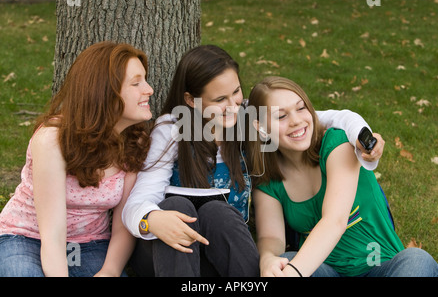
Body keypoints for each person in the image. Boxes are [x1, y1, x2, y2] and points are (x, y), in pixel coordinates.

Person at [122, 45, 383, 277]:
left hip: (221, 249)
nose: (233, 105)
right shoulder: (172, 129)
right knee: (177, 206)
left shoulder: (247, 119)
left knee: (217, 212)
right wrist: (151, 220)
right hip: (167, 253)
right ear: (191, 100)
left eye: (236, 92)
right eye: (220, 100)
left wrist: (363, 137)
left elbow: (324, 117)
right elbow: (136, 204)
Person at [247, 76, 438, 277]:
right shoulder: (267, 179)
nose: (296, 121)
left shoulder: (338, 144)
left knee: (418, 260)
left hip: (381, 267)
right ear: (261, 127)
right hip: (324, 271)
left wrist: (294, 272)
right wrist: (268, 257)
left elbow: (335, 220)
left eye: (301, 108)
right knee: (285, 257)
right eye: (281, 116)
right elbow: (271, 236)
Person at [0, 41, 154, 277]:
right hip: (27, 237)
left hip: (91, 243)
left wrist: (110, 271)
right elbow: (52, 233)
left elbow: (123, 222)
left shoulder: (136, 142)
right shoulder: (52, 140)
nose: (149, 89)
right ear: (104, 91)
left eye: (145, 79)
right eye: (136, 83)